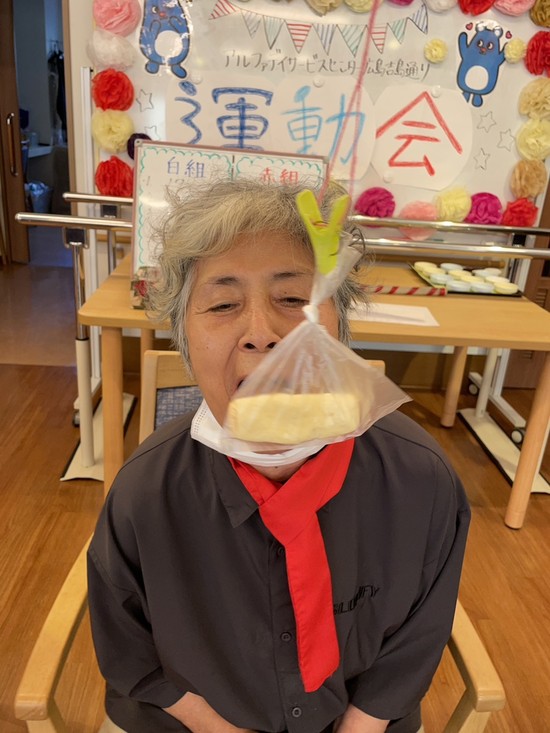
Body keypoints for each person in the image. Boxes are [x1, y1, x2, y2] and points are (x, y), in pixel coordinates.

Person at [87, 178, 470, 733]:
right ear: (185, 342)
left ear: (340, 329)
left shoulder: (420, 480)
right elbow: (130, 649)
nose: (261, 333)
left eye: (293, 299)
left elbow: (415, 643)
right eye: (223, 304)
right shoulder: (145, 493)